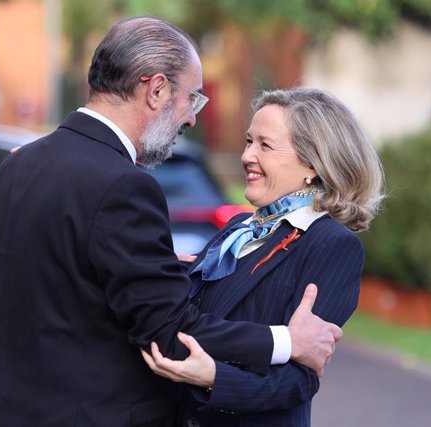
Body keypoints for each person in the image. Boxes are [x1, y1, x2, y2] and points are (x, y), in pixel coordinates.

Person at [0, 17, 342, 427]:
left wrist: (156, 266)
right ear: (154, 90)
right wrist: (288, 341)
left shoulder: (17, 165)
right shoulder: (123, 185)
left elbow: (54, 280)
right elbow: (169, 333)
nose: (191, 119)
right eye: (192, 98)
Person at [141, 87, 385, 427]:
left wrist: (214, 378)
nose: (246, 156)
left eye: (265, 145)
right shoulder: (242, 226)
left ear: (314, 164)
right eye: (248, 141)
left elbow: (298, 382)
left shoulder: (331, 244)